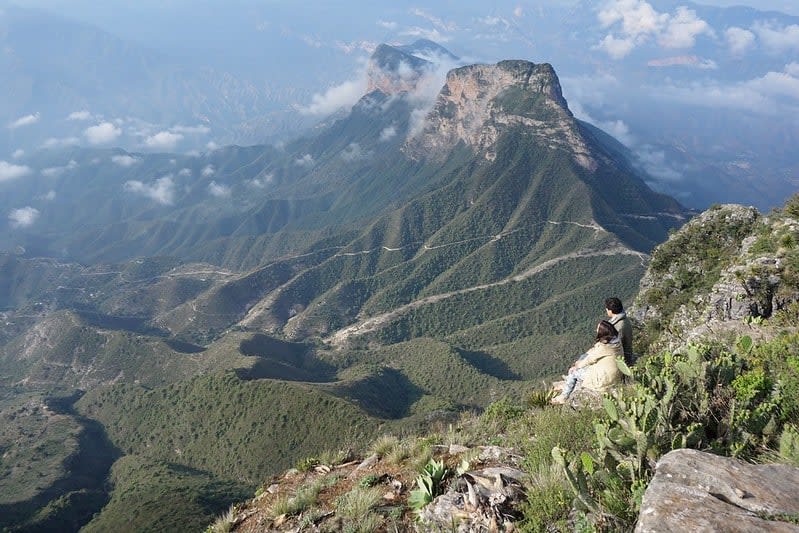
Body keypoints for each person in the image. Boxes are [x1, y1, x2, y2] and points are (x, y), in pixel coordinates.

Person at [551, 320, 622, 404]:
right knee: (583, 360)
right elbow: (594, 351)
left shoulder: (604, 348)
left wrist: (577, 366)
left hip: (603, 378)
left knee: (573, 372)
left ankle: (563, 397)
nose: (596, 330)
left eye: (598, 329)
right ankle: (567, 386)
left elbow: (590, 359)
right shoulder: (616, 342)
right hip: (614, 375)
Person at [605, 297, 634, 367]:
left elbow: (615, 346)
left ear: (610, 311)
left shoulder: (617, 326)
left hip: (621, 359)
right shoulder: (625, 320)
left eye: (607, 309)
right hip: (625, 355)